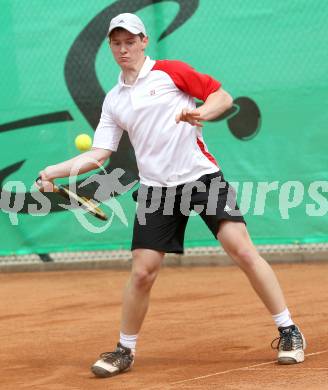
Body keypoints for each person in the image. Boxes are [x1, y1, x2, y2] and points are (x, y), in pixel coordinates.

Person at [37, 13, 306, 378]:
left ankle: (289, 330)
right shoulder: (114, 100)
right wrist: (54, 171)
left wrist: (201, 113)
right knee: (143, 272)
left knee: (240, 248)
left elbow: (221, 96)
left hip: (201, 178)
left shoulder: (169, 72)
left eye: (130, 41)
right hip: (156, 190)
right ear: (110, 47)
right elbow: (99, 154)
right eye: (116, 43)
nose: (123, 49)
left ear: (144, 41)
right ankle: (124, 350)